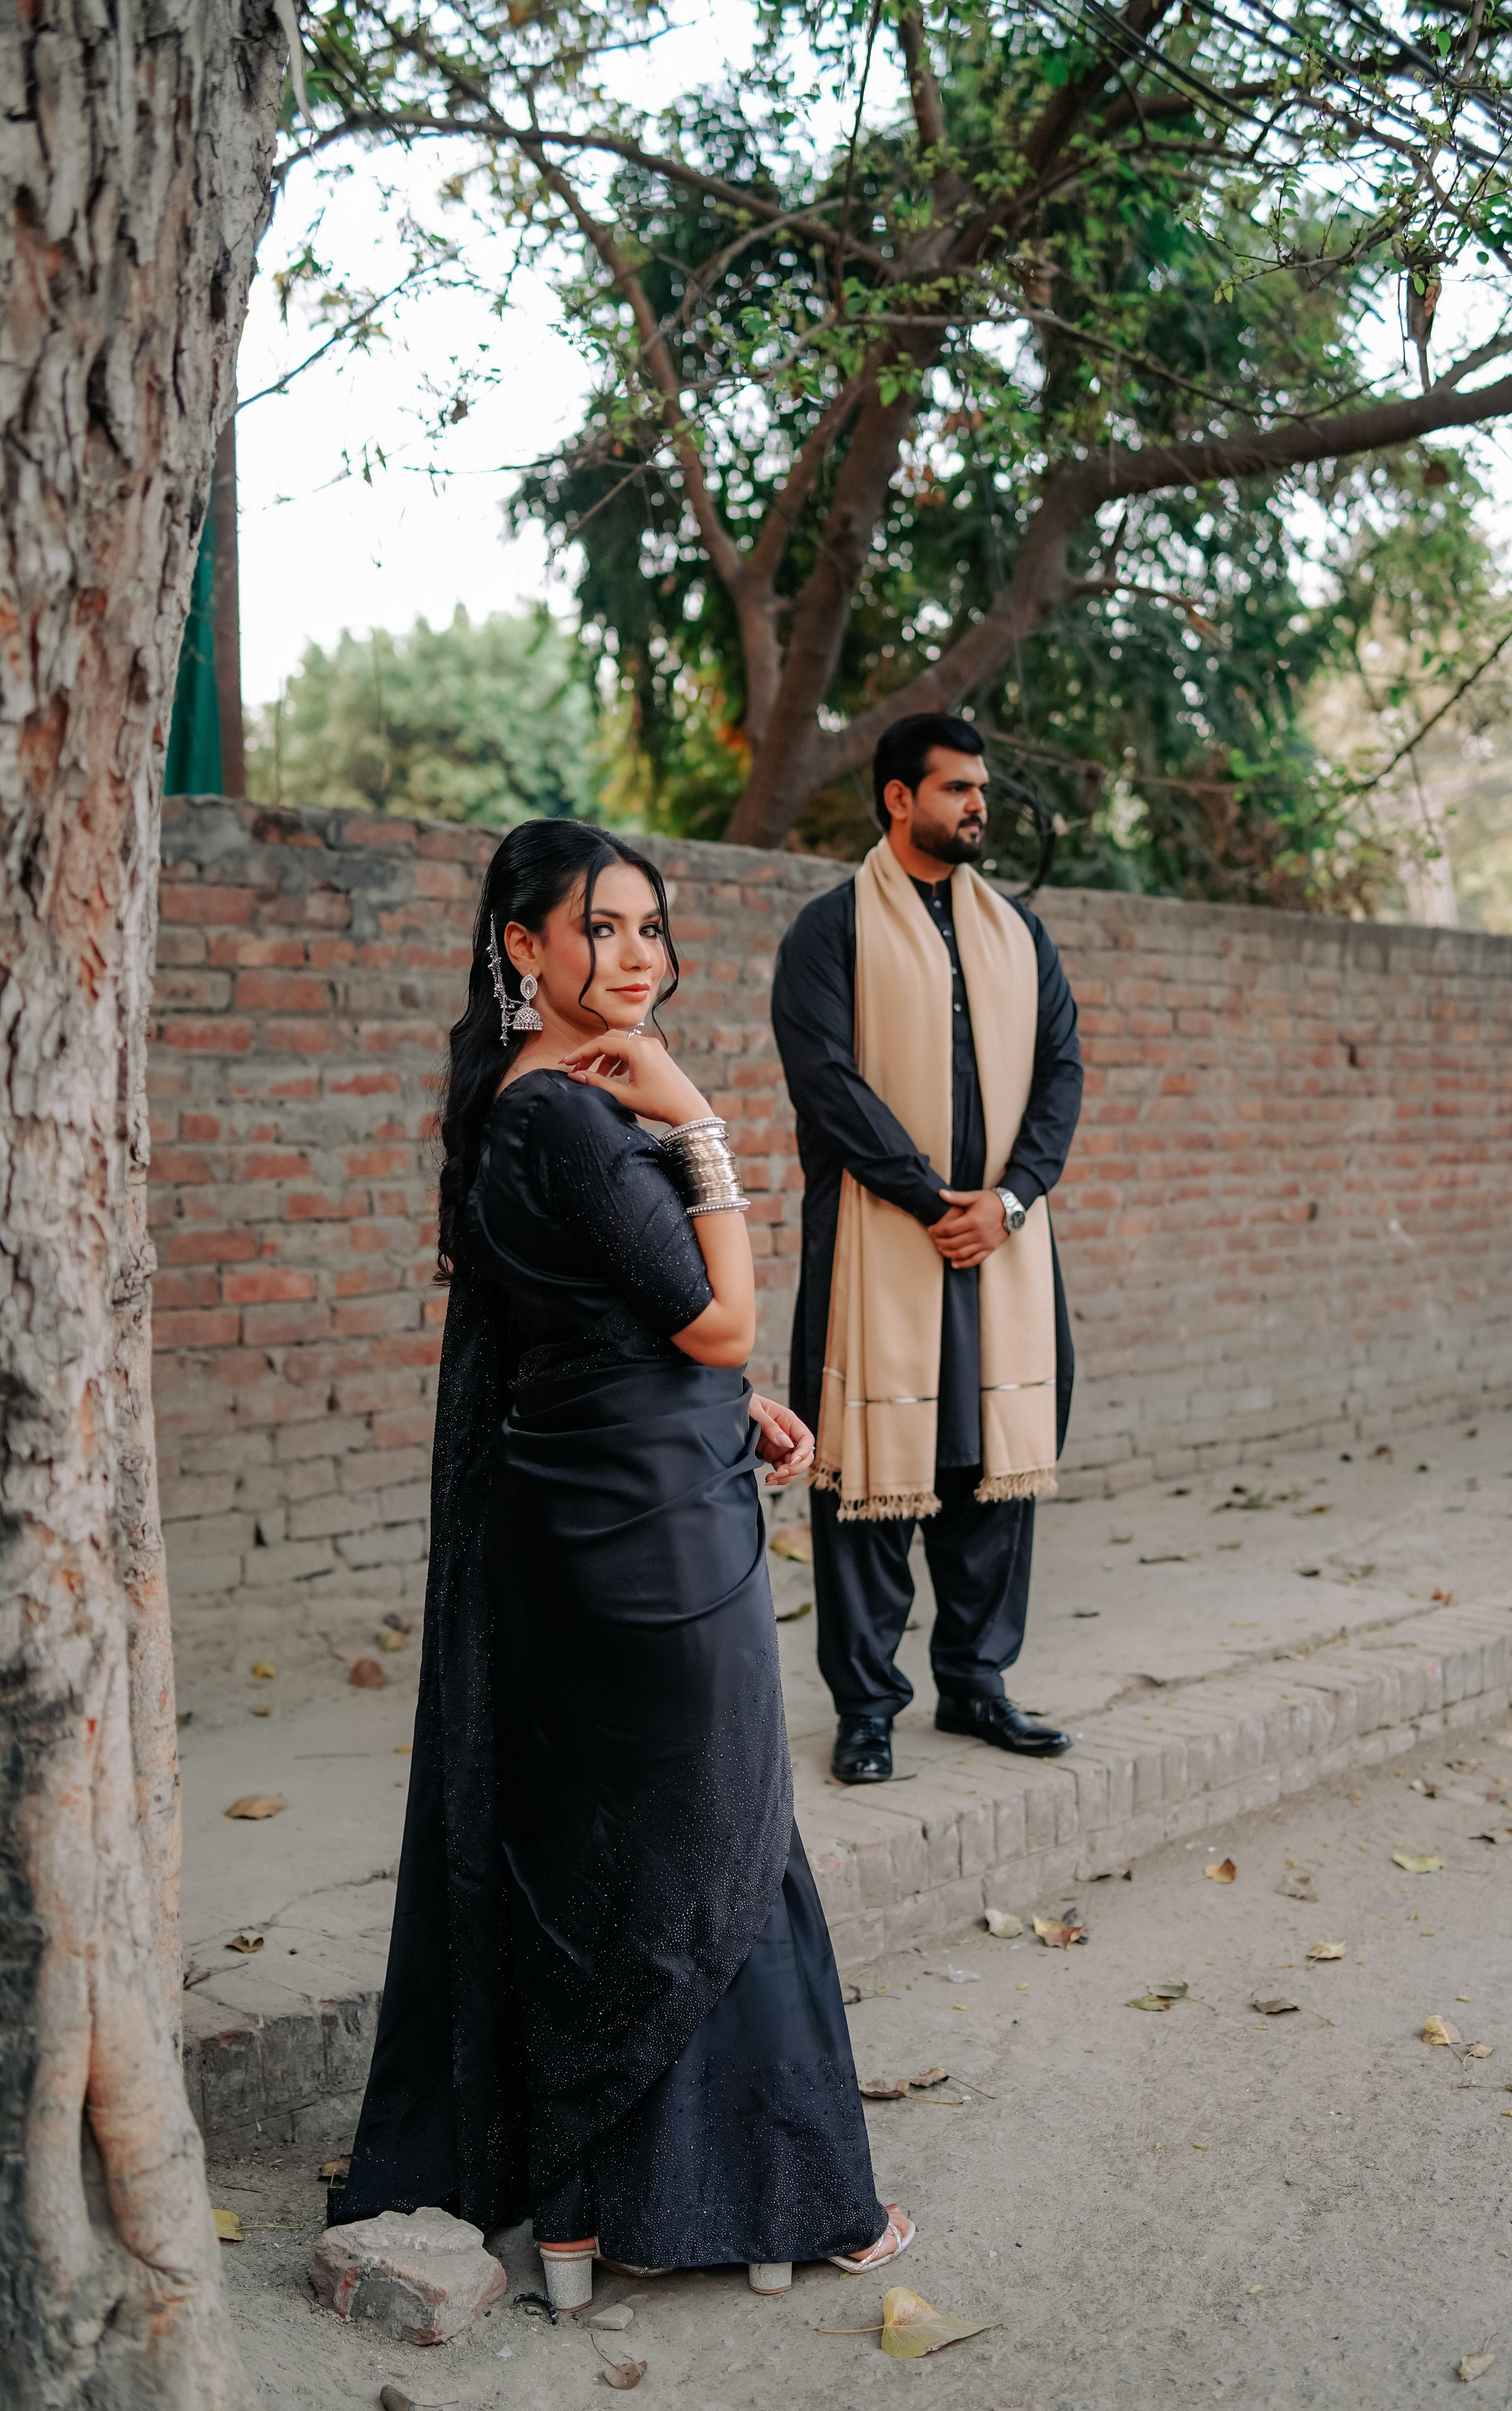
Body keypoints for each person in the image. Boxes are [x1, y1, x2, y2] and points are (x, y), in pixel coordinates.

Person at [333, 821, 913, 2305]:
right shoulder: (578, 1115)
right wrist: (699, 1122)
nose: (637, 957)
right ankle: (779, 2201)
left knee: (621, 1845)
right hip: (646, 1534)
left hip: (604, 1500)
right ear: (521, 946)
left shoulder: (515, 1102)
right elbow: (716, 1317)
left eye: (651, 928)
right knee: (715, 1847)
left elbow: (598, 1324)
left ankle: (588, 2207)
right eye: (602, 929)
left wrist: (731, 1404)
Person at [772, 715, 1084, 1786]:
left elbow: (1062, 1073)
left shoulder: (1020, 936)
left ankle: (977, 1684)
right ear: (900, 798)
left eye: (981, 790)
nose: (977, 807)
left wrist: (1007, 1200)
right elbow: (826, 1083)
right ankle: (867, 1710)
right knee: (864, 1480)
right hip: (877, 1253)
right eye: (957, 789)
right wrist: (926, 1198)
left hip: (1003, 1248)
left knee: (996, 1474)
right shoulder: (831, 932)